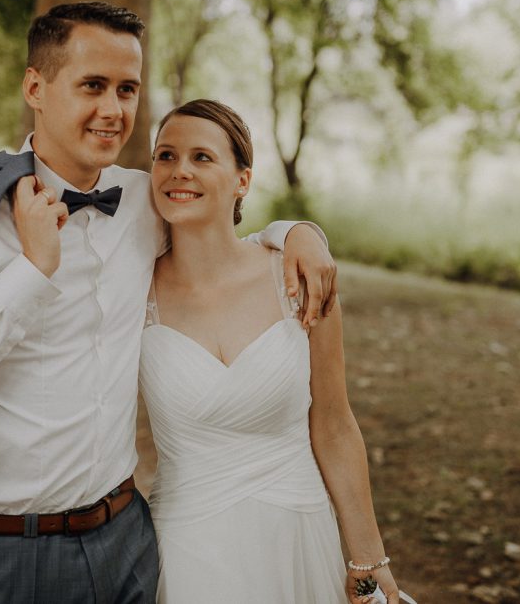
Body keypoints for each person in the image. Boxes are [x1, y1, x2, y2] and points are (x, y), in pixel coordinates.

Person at [0, 2, 337, 604]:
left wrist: (296, 232)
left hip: (127, 541)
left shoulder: (146, 200)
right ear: (36, 86)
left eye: (127, 89)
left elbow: (221, 226)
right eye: (92, 86)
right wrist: (31, 271)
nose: (113, 110)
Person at [140, 99, 415, 604]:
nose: (180, 171)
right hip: (186, 547)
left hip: (298, 534)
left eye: (202, 157)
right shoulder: (134, 290)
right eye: (165, 155)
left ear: (242, 180)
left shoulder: (299, 278)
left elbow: (334, 425)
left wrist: (368, 560)